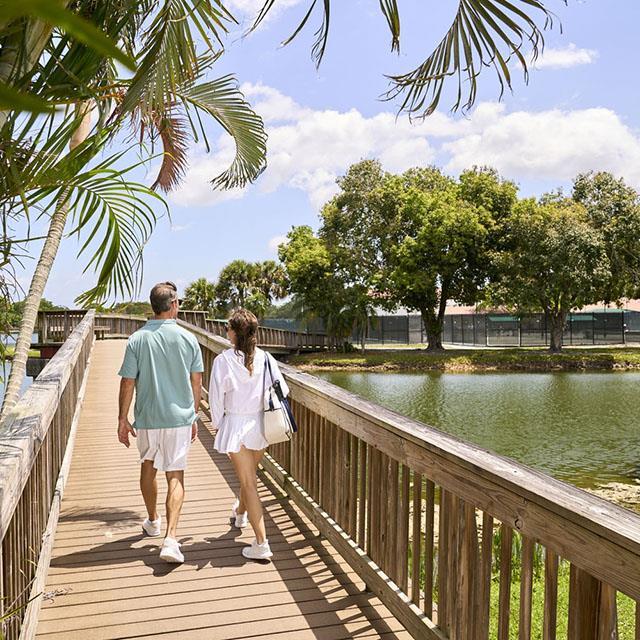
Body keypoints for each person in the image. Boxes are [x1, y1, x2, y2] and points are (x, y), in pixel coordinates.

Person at [117, 281, 204, 564]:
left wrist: (122, 419)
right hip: (179, 418)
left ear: (153, 307)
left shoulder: (137, 339)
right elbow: (196, 381)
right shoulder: (188, 338)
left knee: (148, 466)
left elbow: (128, 382)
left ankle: (153, 520)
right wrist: (193, 415)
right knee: (175, 475)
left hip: (148, 418)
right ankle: (171, 538)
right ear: (174, 305)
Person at [209, 308, 289, 561]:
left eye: (228, 327)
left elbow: (215, 399)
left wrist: (218, 424)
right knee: (249, 478)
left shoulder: (223, 361)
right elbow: (282, 389)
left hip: (236, 425)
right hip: (261, 425)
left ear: (234, 332)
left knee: (249, 483)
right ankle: (240, 512)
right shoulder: (266, 358)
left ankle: (262, 543)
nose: (226, 331)